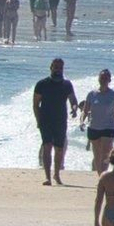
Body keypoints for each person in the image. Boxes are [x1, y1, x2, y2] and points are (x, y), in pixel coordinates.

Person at [33, 58, 79, 186]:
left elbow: (73, 100)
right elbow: (36, 104)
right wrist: (38, 120)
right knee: (47, 147)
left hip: (60, 120)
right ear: (51, 67)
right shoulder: (42, 84)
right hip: (46, 120)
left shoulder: (66, 84)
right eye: (56, 67)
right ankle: (47, 177)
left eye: (60, 68)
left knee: (59, 148)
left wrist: (74, 109)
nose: (58, 70)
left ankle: (57, 174)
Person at [81, 68, 114, 174]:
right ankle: (100, 177)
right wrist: (81, 121)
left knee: (106, 153)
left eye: (106, 78)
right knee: (97, 155)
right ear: (98, 79)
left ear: (109, 80)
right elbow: (85, 110)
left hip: (109, 127)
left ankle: (103, 176)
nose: (103, 80)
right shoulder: (92, 94)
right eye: (101, 78)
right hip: (94, 127)